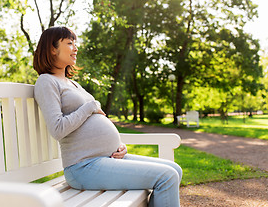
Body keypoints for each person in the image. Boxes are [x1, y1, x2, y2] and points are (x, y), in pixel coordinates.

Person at [33, 26, 182, 207]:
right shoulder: (46, 81)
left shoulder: (71, 83)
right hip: (83, 167)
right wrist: (89, 107)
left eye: (75, 43)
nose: (76, 47)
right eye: (69, 43)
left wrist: (117, 145)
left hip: (106, 159)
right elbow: (57, 129)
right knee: (167, 177)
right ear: (52, 49)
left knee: (175, 169)